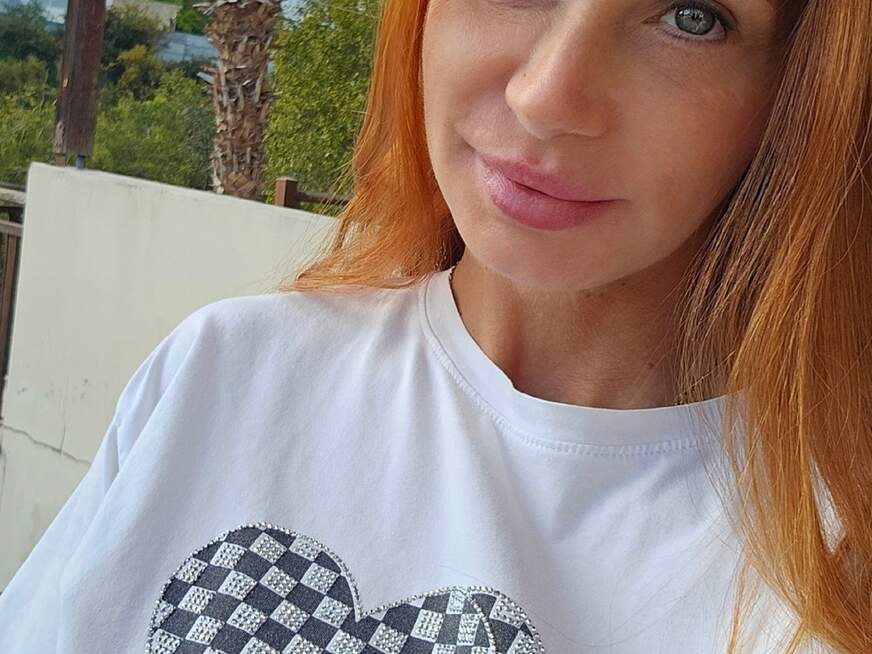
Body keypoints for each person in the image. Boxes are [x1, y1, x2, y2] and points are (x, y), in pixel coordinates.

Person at [1, 0, 870, 652]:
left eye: (692, 17)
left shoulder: (839, 556)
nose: (547, 95)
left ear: (798, 94)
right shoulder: (225, 372)